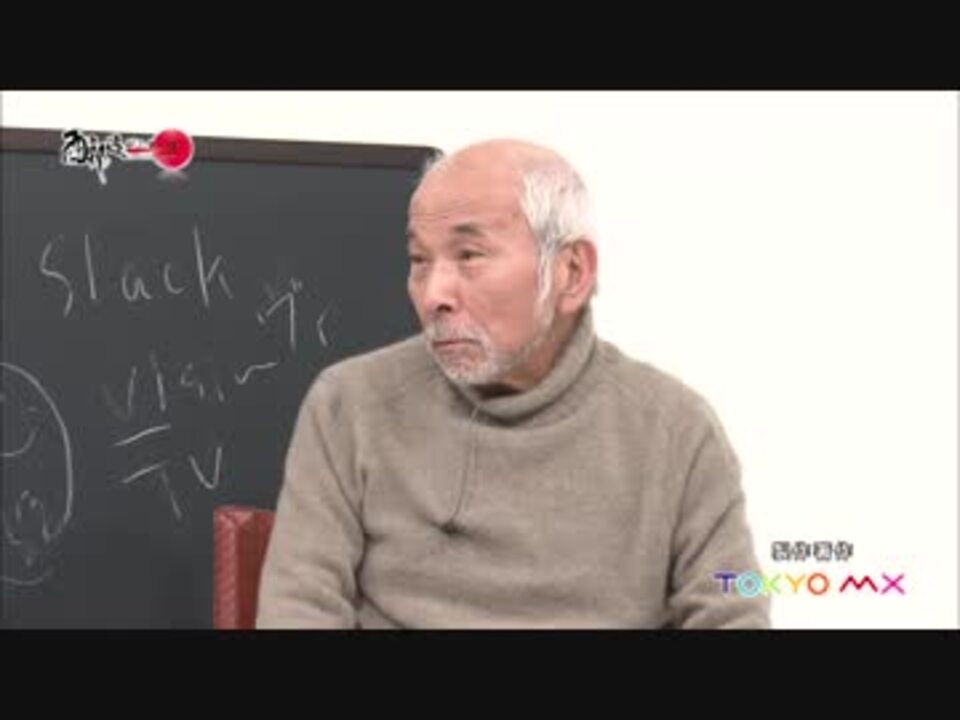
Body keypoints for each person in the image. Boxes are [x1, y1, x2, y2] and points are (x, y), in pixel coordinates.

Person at [256, 138, 770, 629]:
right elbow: (299, 607)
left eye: (469, 255)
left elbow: (734, 605)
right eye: (419, 261)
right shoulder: (350, 404)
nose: (434, 294)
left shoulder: (677, 429)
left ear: (571, 272)